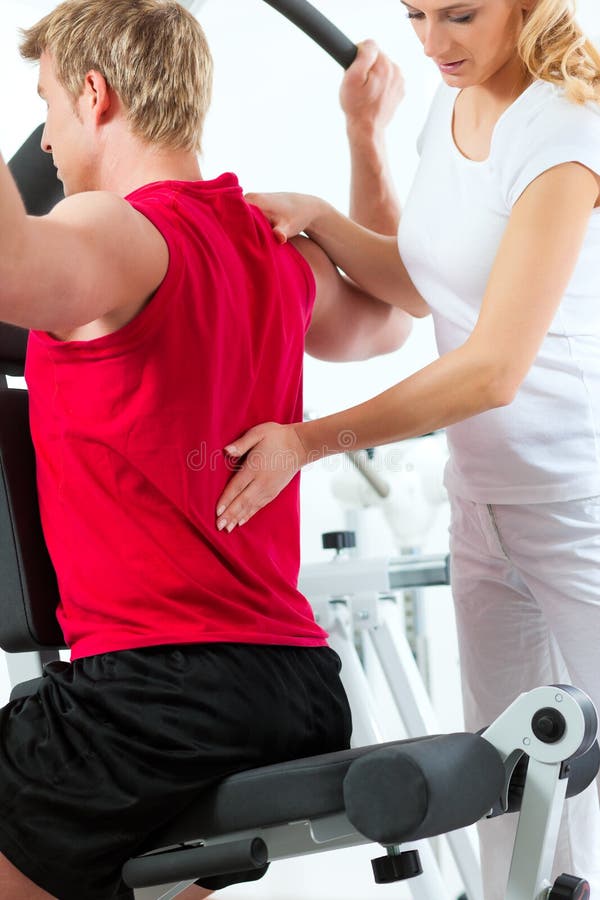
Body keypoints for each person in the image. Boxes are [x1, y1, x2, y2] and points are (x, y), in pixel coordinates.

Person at [0, 1, 413, 898]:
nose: (44, 145)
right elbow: (381, 319)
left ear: (94, 96)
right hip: (297, 691)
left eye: (47, 108)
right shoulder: (268, 243)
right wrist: (364, 136)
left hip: (154, 702)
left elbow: (7, 268)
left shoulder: (116, 229)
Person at [214, 1, 600, 897]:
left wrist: (308, 443)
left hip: (580, 503)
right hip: (484, 507)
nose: (431, 43)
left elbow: (493, 368)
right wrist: (323, 217)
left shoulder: (567, 126)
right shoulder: (452, 101)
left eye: (459, 14)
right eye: (415, 11)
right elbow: (426, 282)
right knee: (513, 797)